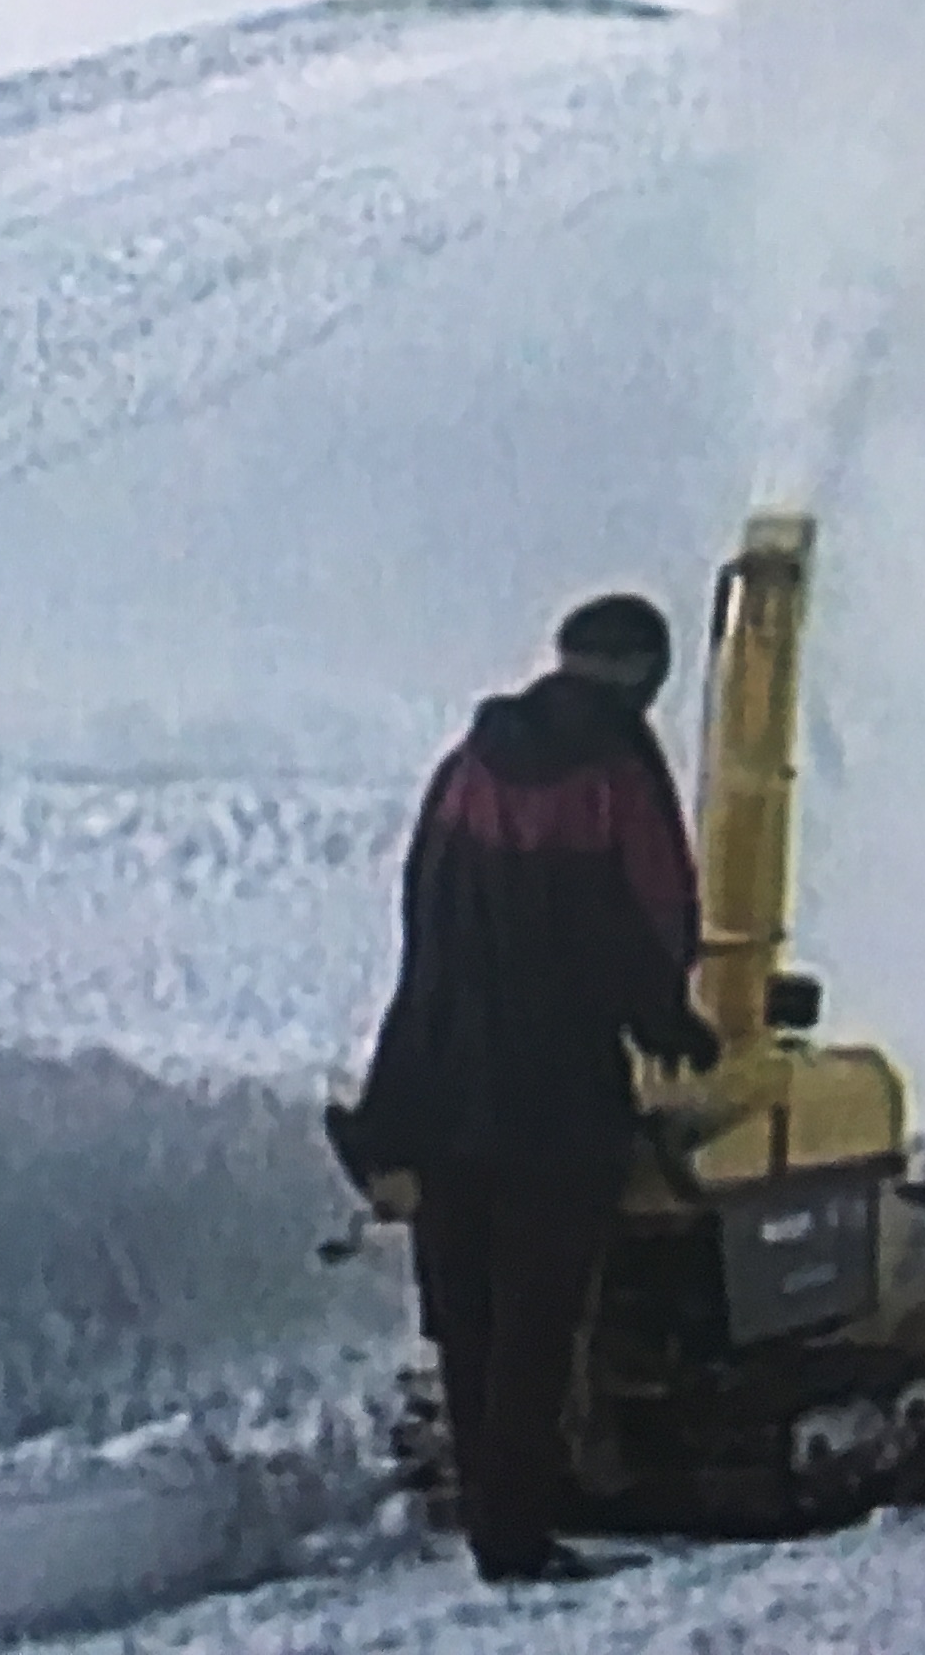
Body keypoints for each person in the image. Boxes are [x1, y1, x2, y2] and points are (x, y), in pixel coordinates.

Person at [337, 590, 719, 1585]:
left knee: (467, 1321)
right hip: (557, 1095)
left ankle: (487, 1514)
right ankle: (520, 1534)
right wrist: (668, 1021)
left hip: (444, 1082)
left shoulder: (468, 765)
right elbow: (654, 915)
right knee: (538, 1326)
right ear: (643, 673)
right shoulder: (618, 771)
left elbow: (424, 915)